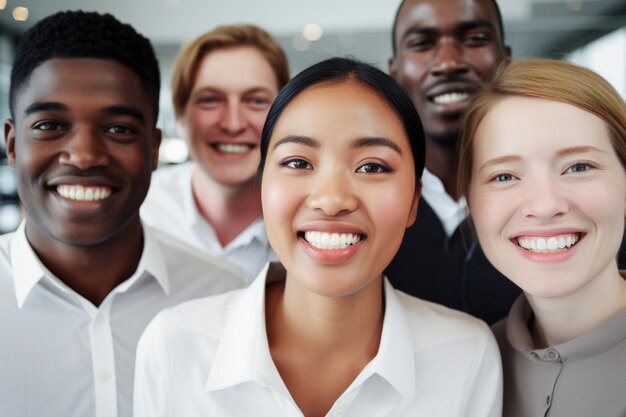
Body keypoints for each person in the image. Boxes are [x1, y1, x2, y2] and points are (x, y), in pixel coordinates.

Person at [134, 57, 502, 417]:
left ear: (412, 202)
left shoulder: (465, 355)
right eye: (298, 163)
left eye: (372, 166)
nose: (331, 200)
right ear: (262, 187)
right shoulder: (176, 345)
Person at [0, 11, 245, 417]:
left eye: (118, 129)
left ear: (153, 149)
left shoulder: (226, 297)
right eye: (49, 125)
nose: (83, 156)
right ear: (12, 145)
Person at [458, 57, 626, 417]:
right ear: (470, 202)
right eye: (504, 176)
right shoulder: (470, 363)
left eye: (579, 167)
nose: (546, 205)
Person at [386, 0, 520, 323]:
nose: (447, 64)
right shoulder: (370, 206)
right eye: (421, 44)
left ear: (505, 59)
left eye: (474, 39)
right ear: (395, 72)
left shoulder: (555, 199)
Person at [141, 25, 289, 281]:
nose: (233, 124)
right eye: (210, 100)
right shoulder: (141, 209)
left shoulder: (310, 216)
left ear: (284, 117)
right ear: (181, 119)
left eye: (255, 101)